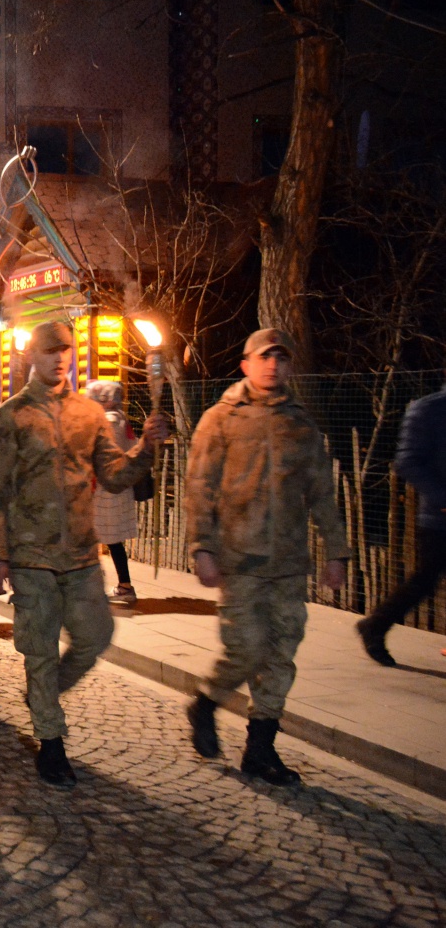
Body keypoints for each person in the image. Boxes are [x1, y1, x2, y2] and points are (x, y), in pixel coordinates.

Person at [0, 321, 168, 788]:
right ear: (32, 357)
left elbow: (116, 474)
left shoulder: (89, 413)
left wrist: (146, 445)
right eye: (50, 350)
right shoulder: (11, 416)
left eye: (65, 349)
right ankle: (51, 740)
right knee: (39, 649)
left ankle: (43, 694)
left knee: (97, 635)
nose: (59, 357)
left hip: (82, 554)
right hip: (31, 555)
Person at [185, 328, 349, 785]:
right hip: (240, 559)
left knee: (282, 655)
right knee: (247, 649)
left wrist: (336, 552)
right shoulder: (220, 419)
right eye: (264, 357)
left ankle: (260, 750)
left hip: (289, 563)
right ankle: (206, 701)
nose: (273, 365)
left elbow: (321, 493)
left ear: (289, 366)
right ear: (246, 364)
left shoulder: (300, 423)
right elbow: (200, 487)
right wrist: (202, 547)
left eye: (281, 358)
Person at [357, 376, 446, 666]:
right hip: (439, 518)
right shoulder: (428, 410)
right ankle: (375, 625)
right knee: (424, 581)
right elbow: (407, 461)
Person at [83, 380, 140, 607]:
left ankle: (96, 586)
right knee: (113, 541)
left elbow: (98, 453)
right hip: (117, 488)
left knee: (92, 536)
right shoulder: (121, 419)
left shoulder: (109, 422)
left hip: (105, 489)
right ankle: (124, 584)